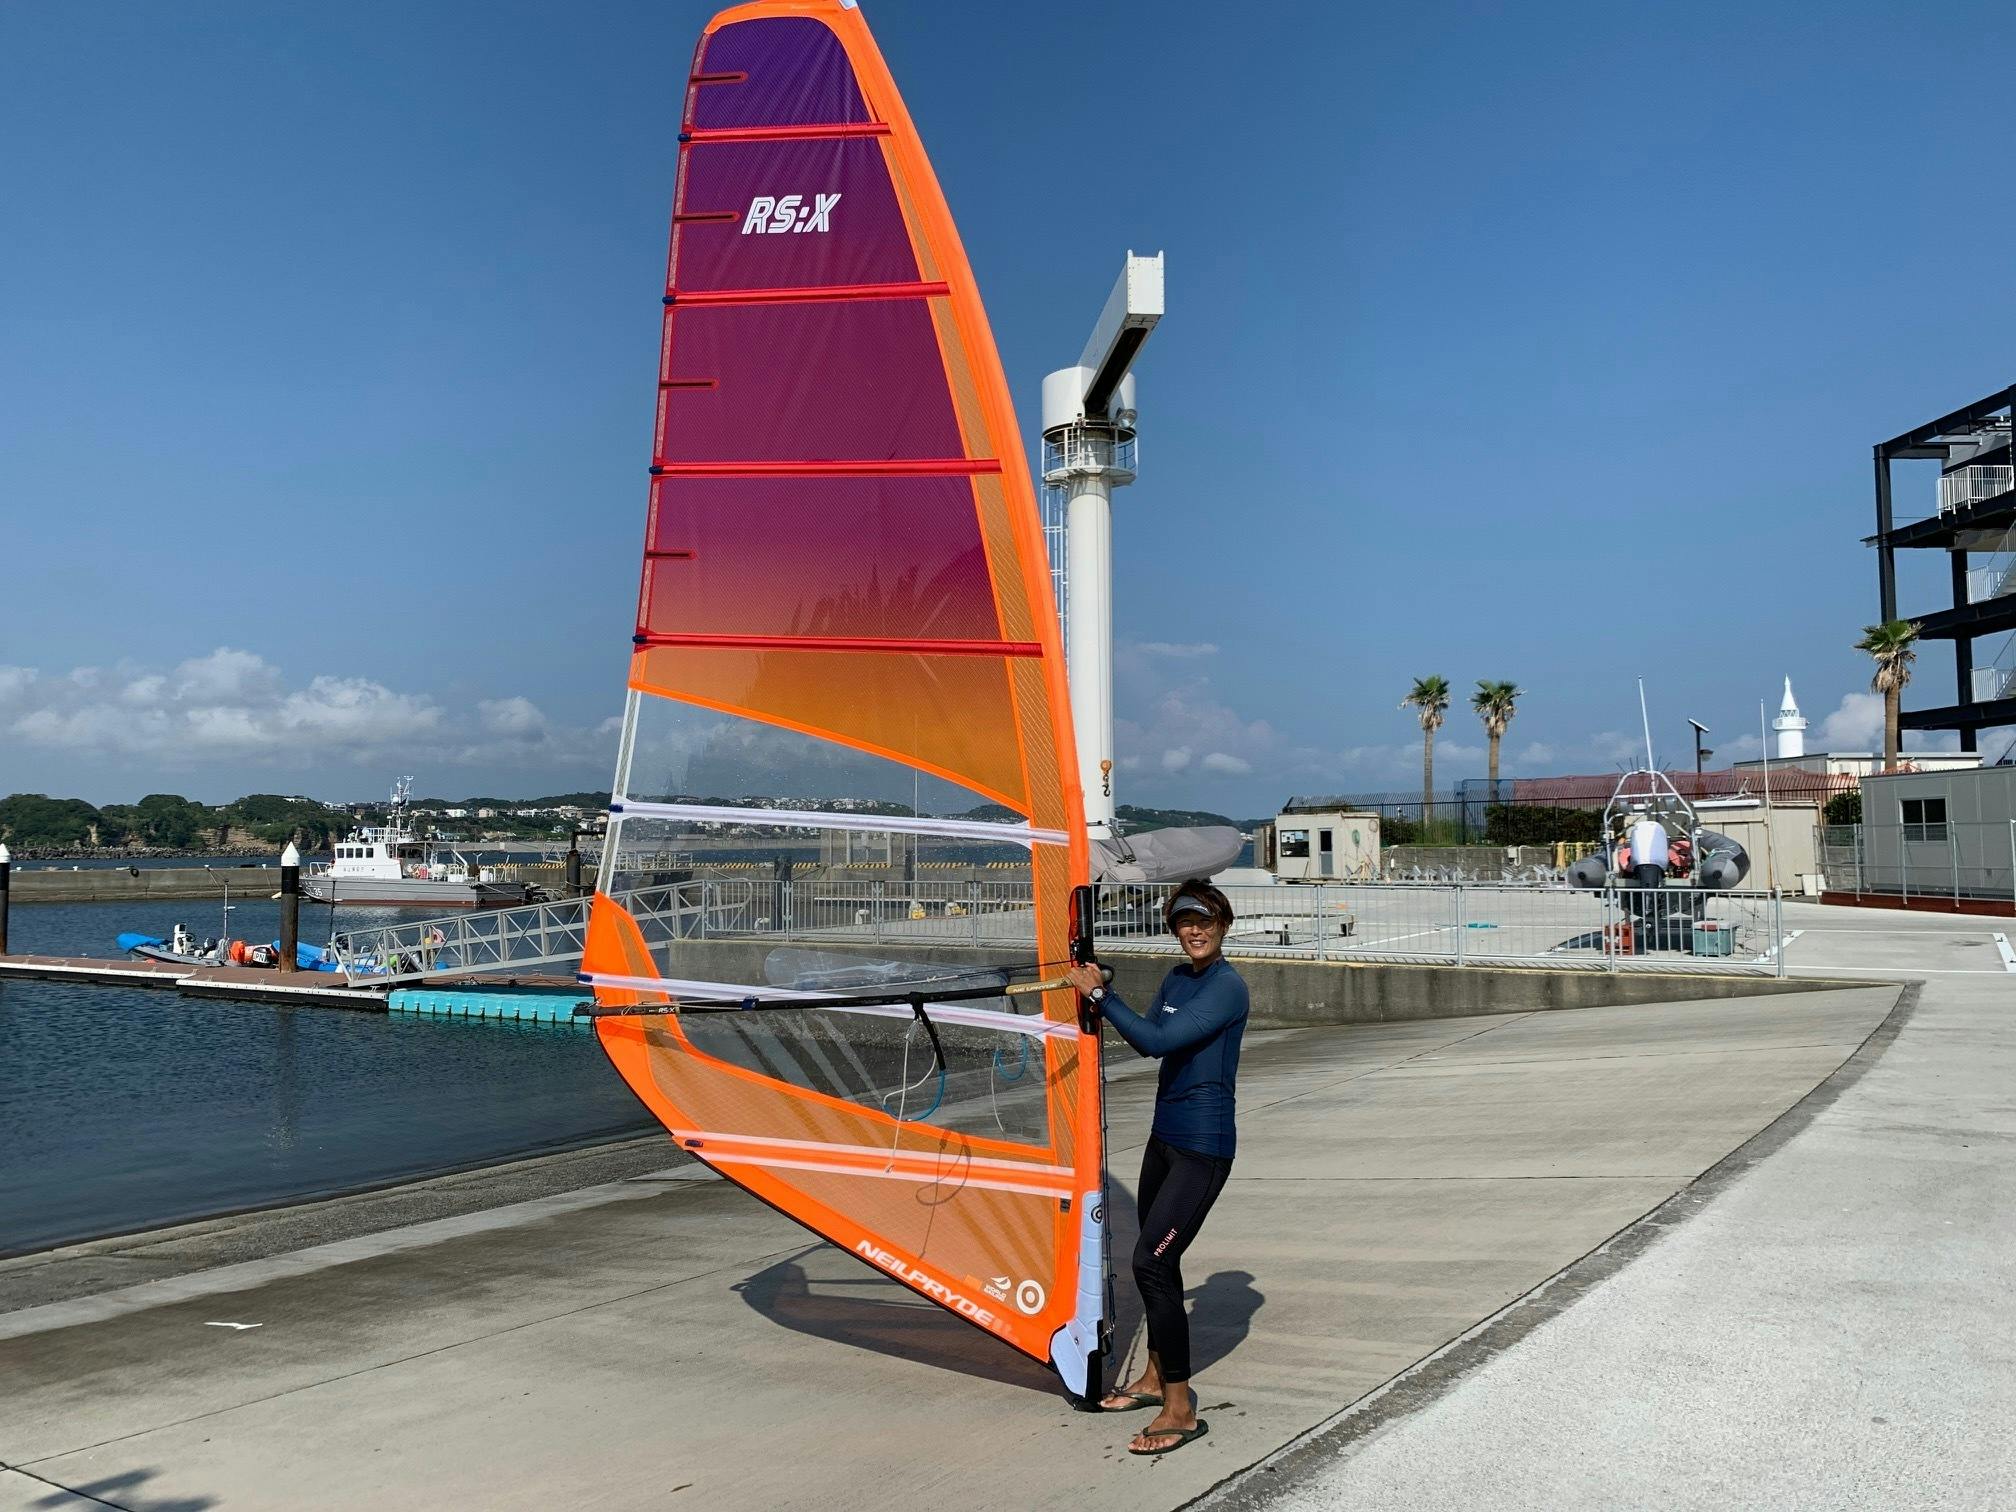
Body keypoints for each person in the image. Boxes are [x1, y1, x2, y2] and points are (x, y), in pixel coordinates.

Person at [1064, 878, 1248, 1456]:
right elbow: (1148, 1026)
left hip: (1202, 1148)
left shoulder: (1227, 987)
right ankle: (1151, 1379)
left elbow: (1156, 1041)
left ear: (1223, 924)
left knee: (1150, 1261)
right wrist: (1105, 993)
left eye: (1205, 920)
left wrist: (1101, 996)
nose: (1194, 931)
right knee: (1161, 1268)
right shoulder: (1177, 978)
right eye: (1184, 922)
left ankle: (1181, 1408)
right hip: (1163, 1140)